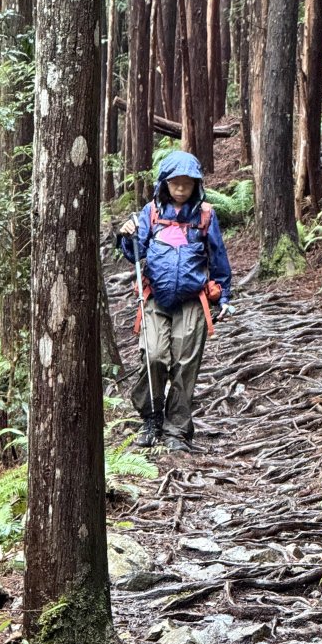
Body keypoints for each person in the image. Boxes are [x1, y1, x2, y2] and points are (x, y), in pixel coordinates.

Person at [118, 150, 232, 451]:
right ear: (164, 183)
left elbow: (218, 256)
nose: (181, 189)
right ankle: (151, 417)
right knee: (154, 356)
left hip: (192, 300)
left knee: (185, 365)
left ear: (196, 185)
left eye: (187, 183)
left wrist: (224, 296)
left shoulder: (205, 216)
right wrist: (126, 235)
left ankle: (177, 431)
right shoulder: (151, 213)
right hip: (155, 298)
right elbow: (135, 253)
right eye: (175, 182)